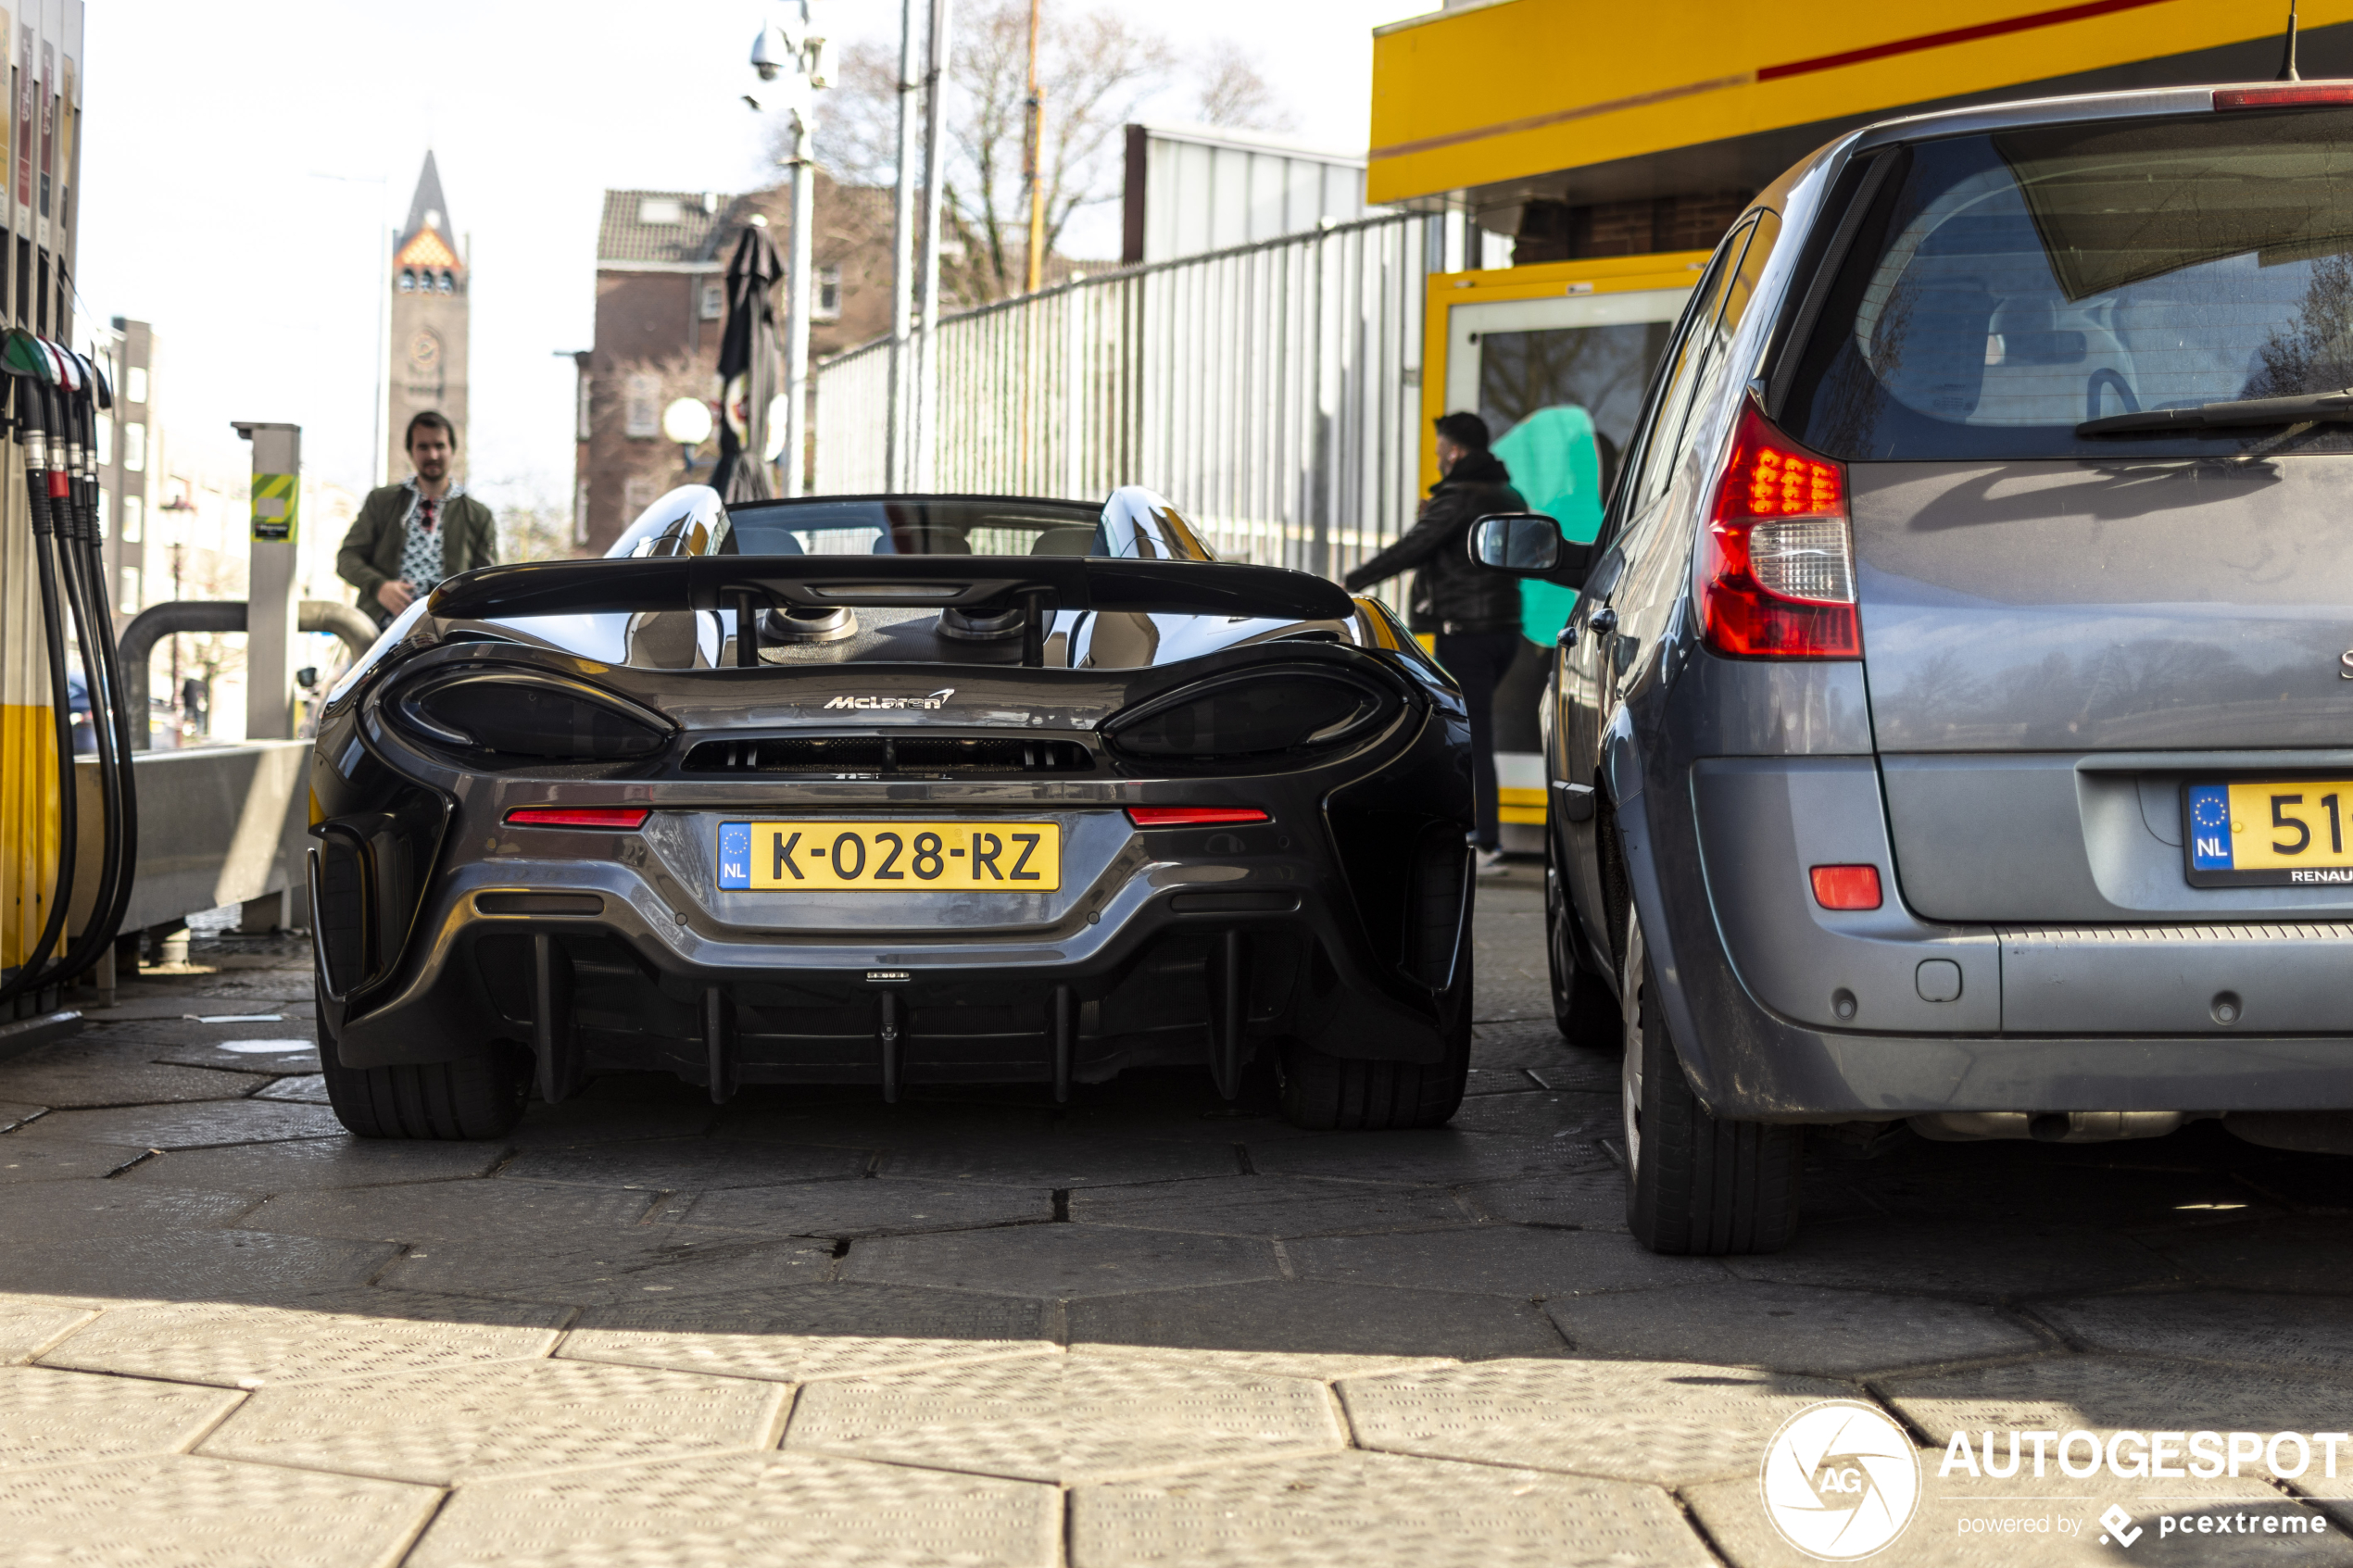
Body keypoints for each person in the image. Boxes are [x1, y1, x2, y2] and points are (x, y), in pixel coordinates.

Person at [1343, 410, 1528, 872]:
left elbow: (1415, 546)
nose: (1437, 456)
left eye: (1439, 448)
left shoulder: (1458, 498)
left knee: (1470, 736)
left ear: (1455, 451)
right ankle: (1480, 835)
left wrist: (1355, 579)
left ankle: (1484, 841)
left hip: (1465, 632)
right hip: (1505, 630)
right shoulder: (1511, 496)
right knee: (1475, 731)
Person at [339, 410, 498, 628]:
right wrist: (379, 587)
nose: (432, 455)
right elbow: (347, 558)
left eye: (439, 446)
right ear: (410, 451)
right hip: (382, 630)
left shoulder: (478, 515)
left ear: (452, 450)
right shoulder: (382, 501)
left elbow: (488, 583)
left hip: (448, 636)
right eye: (423, 446)